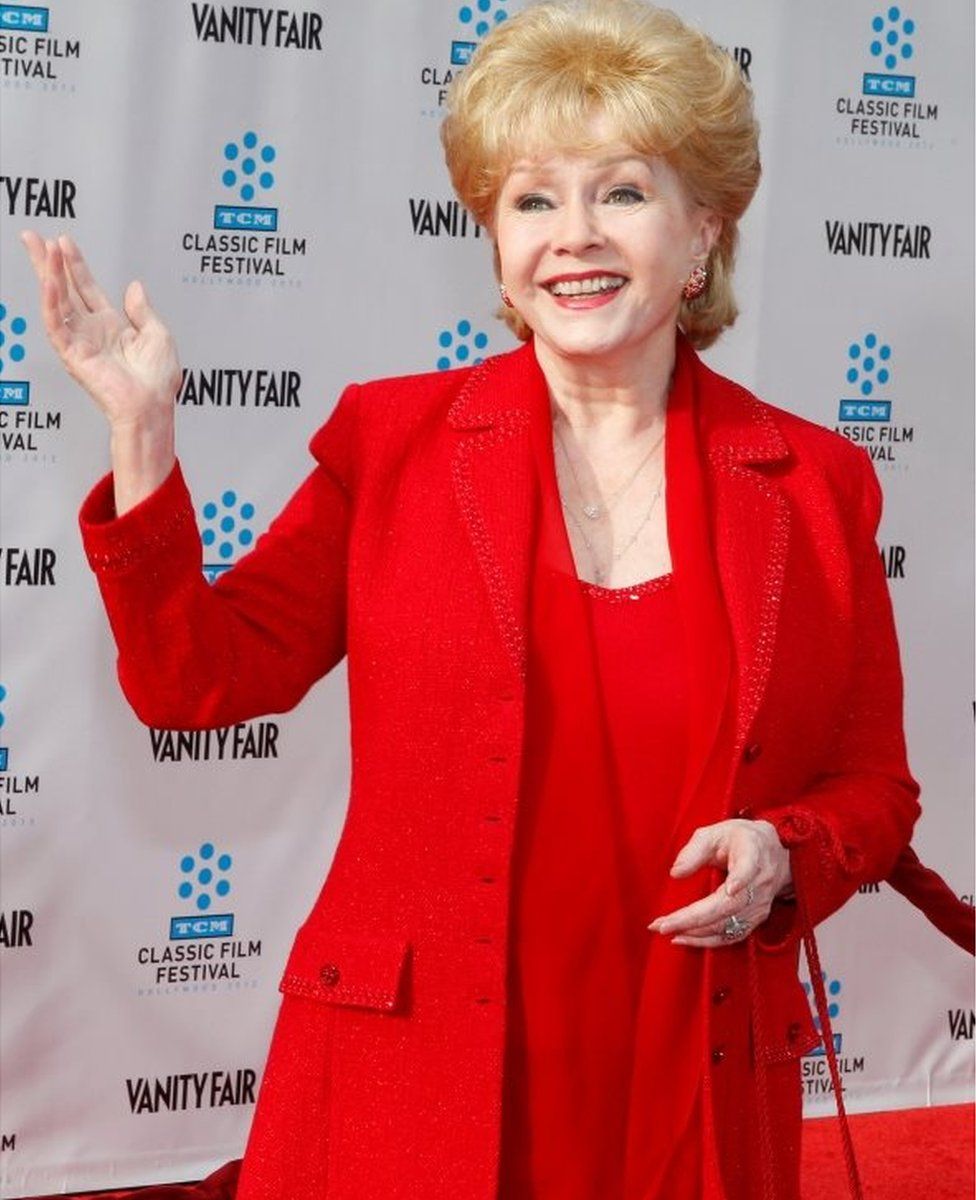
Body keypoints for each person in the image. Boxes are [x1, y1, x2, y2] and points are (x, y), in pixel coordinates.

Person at [21, 1, 937, 1197]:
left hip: (687, 1053)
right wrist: (142, 438)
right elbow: (198, 682)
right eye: (531, 200)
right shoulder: (394, 442)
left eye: (621, 193)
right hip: (421, 1060)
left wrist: (783, 852)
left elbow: (876, 786)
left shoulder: (813, 483)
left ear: (703, 228)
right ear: (495, 240)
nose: (573, 236)